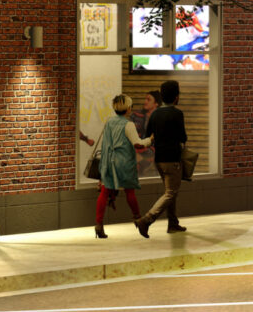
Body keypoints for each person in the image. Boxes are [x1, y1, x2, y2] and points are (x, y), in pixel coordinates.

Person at [77, 93, 147, 237]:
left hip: (108, 161)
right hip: (124, 163)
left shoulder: (109, 122)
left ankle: (99, 225)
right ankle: (138, 220)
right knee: (130, 192)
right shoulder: (129, 124)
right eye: (130, 106)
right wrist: (150, 140)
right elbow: (138, 143)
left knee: (104, 192)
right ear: (127, 108)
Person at [131, 79, 187, 236]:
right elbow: (183, 137)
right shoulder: (177, 114)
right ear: (176, 97)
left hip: (159, 159)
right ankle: (146, 220)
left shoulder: (155, 114)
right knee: (170, 193)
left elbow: (149, 135)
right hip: (173, 159)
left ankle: (173, 223)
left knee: (170, 192)